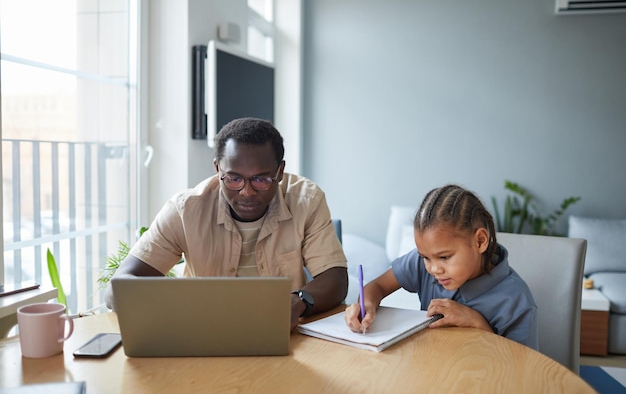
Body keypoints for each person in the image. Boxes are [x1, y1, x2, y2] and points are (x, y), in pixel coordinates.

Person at [105, 117, 348, 331]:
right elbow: (117, 289)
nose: (247, 192)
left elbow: (335, 279)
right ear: (218, 169)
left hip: (284, 334)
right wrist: (176, 309)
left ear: (280, 171)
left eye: (261, 179)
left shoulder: (306, 200)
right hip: (203, 334)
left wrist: (298, 302)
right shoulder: (185, 210)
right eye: (233, 179)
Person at [345, 184, 538, 349]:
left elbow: (520, 366)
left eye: (444, 257)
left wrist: (476, 322)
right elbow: (378, 286)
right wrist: (367, 304)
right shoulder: (425, 263)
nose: (434, 269)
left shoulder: (517, 300)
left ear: (480, 241)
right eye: (425, 257)